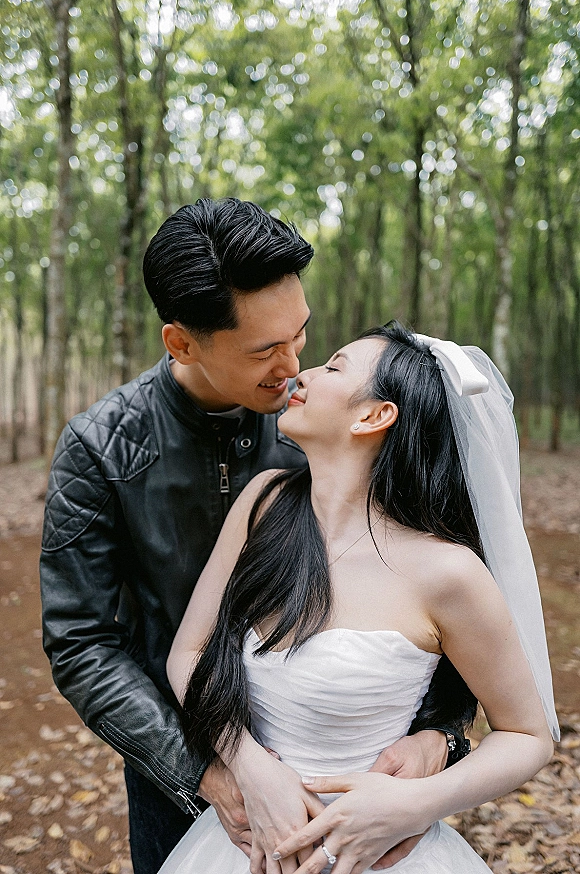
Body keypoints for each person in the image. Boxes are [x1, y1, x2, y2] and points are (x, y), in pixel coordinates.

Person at [40, 200, 472, 874]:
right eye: (266, 351)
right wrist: (207, 772)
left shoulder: (325, 429)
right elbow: (81, 642)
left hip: (348, 789)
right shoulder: (99, 449)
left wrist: (442, 739)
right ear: (181, 343)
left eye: (300, 335)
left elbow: (432, 600)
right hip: (175, 772)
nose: (295, 366)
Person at [162, 322, 558, 874]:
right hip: (245, 843)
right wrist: (248, 766)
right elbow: (188, 655)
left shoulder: (447, 573)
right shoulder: (263, 504)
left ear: (373, 415)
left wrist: (416, 804)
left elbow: (527, 736)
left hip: (380, 854)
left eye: (333, 367)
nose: (301, 372)